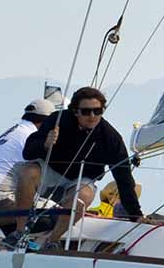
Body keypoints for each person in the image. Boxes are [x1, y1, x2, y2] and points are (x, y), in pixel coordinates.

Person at [11, 86, 145, 248]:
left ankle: (52, 242)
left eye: (97, 111)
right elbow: (28, 152)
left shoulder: (110, 138)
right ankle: (19, 233)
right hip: (51, 172)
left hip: (80, 180)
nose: (92, 116)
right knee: (28, 171)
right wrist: (45, 145)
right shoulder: (58, 120)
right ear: (75, 111)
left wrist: (136, 215)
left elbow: (123, 178)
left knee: (84, 196)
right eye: (86, 111)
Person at [0, 88, 63, 230]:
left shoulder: (16, 130)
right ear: (47, 122)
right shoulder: (32, 138)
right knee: (57, 215)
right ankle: (8, 241)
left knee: (30, 201)